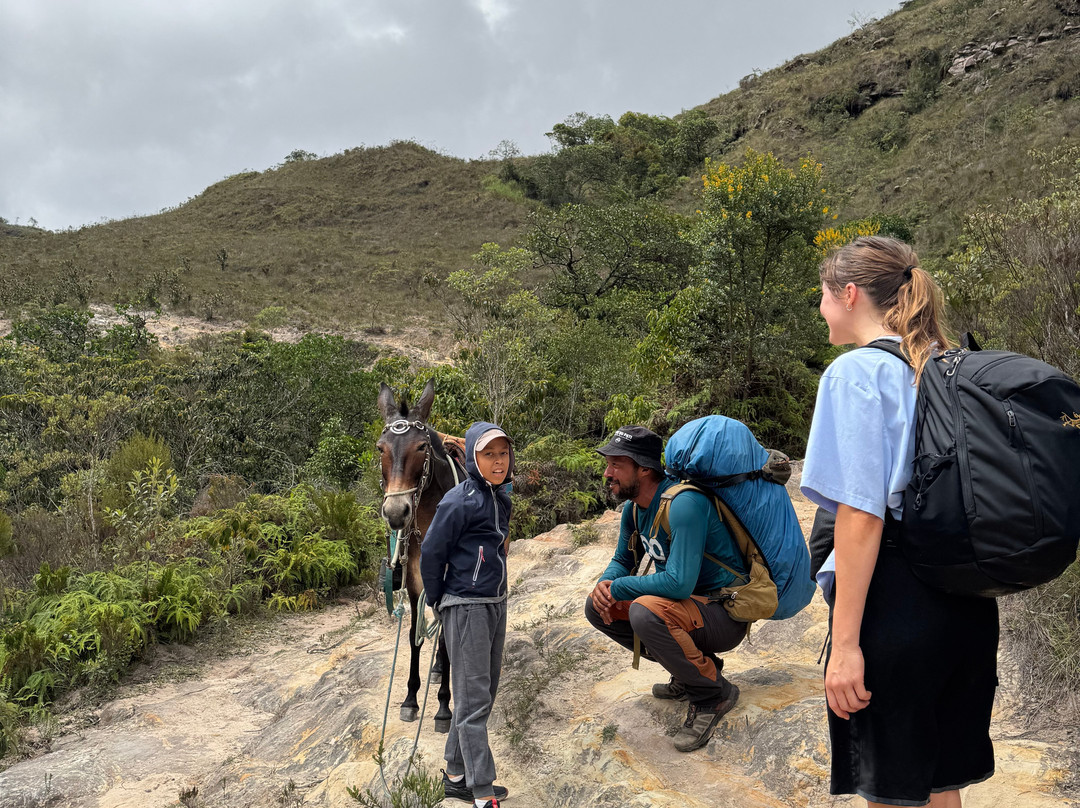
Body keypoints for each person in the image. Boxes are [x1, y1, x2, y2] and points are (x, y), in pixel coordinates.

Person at [801, 236, 998, 808]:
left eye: (823, 295)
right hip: (966, 597)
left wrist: (845, 647)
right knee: (940, 783)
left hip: (895, 603)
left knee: (890, 791)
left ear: (851, 294)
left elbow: (860, 516)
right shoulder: (944, 364)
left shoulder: (855, 374)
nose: (820, 308)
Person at [583, 425, 747, 752]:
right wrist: (606, 584)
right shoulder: (634, 508)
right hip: (686, 612)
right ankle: (691, 672)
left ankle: (711, 693)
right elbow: (622, 559)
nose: (607, 472)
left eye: (616, 464)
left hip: (723, 616)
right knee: (598, 607)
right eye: (608, 464)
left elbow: (679, 582)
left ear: (644, 468)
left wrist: (621, 587)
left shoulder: (684, 504)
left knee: (645, 612)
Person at [420, 421, 514, 808]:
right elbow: (430, 551)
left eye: (503, 453)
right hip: (466, 605)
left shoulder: (500, 497)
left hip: (494, 602)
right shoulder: (459, 500)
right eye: (488, 453)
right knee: (474, 701)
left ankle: (456, 775)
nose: (498, 461)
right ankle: (481, 791)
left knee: (482, 695)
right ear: (473, 458)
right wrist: (440, 599)